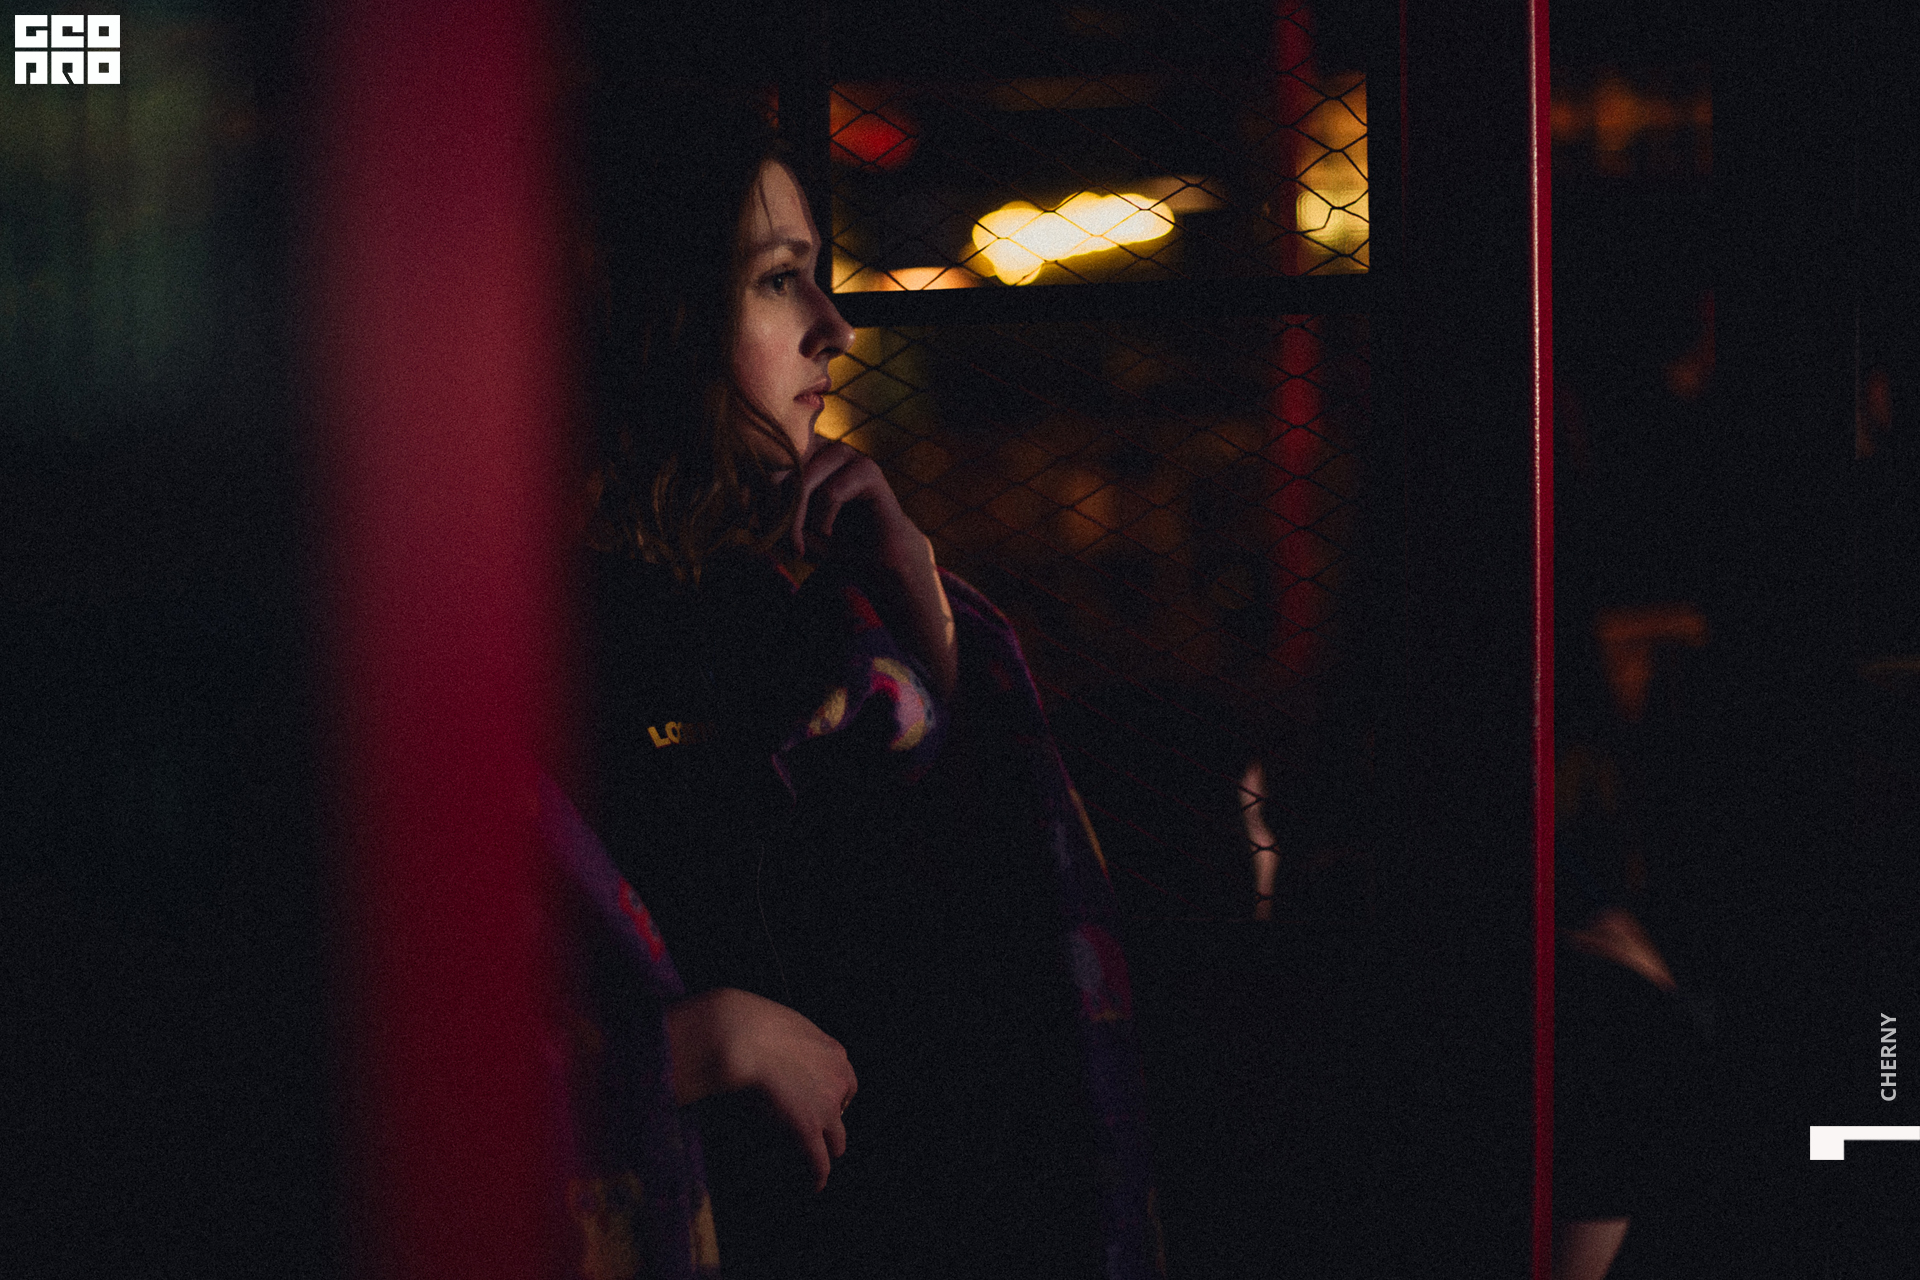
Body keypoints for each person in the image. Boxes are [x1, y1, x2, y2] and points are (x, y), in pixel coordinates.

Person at [557, 85, 1158, 1280]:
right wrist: (693, 1045)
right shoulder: (517, 640)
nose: (834, 327)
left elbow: (995, 929)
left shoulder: (802, 601)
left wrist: (917, 594)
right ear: (655, 317)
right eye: (780, 280)